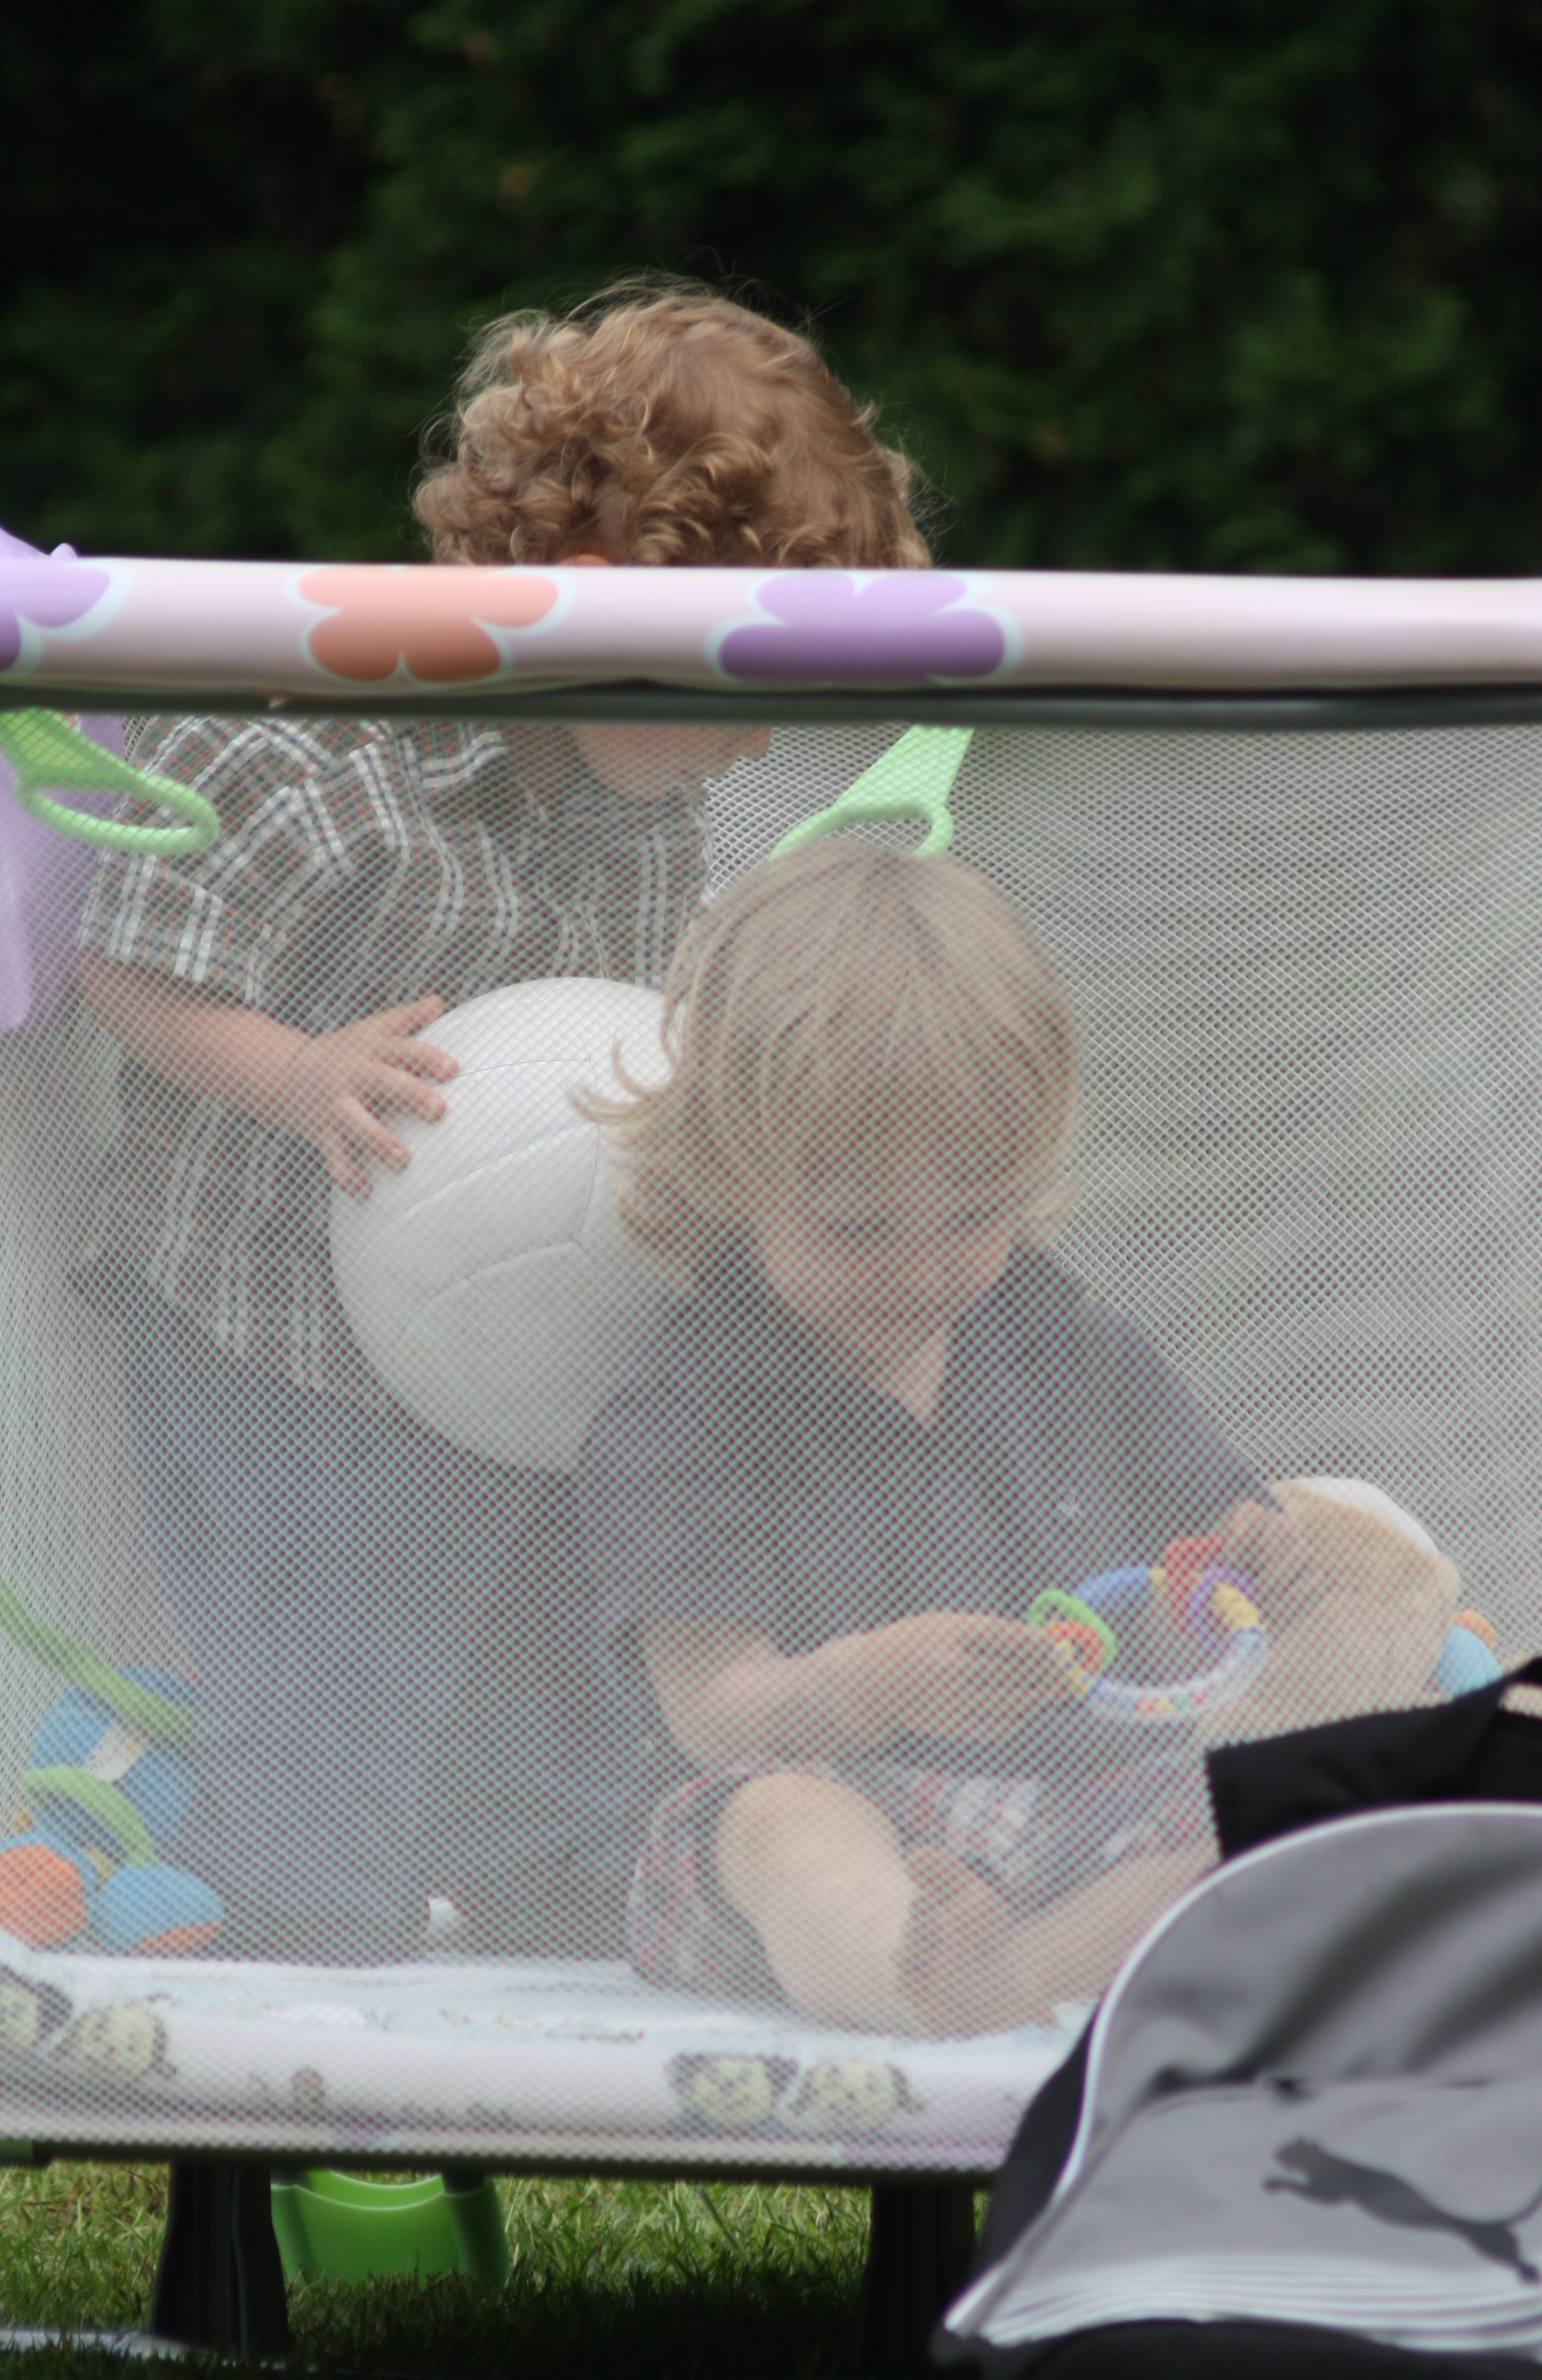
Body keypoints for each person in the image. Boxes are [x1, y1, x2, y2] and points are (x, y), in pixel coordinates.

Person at [72, 285, 930, 1960]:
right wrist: (299, 1075)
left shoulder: (644, 809)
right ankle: (235, 1865)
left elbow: (616, 1045)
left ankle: (553, 1866)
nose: (756, 741)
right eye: (738, 688)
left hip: (504, 1344)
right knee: (331, 1695)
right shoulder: (322, 741)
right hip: (264, 1319)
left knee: (545, 1649)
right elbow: (133, 963)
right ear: (589, 595)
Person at [576, 839, 1462, 2037]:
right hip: (823, 1809)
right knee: (779, 1823)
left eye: (972, 1215)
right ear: (732, 1178)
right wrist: (864, 1685)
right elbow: (712, 1708)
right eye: (857, 1229)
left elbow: (1179, 1595)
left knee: (1279, 1810)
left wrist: (1235, 1580)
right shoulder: (686, 1407)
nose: (922, 1272)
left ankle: (1011, 1977)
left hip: (1078, 1810)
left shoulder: (1065, 1344)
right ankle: (901, 1969)